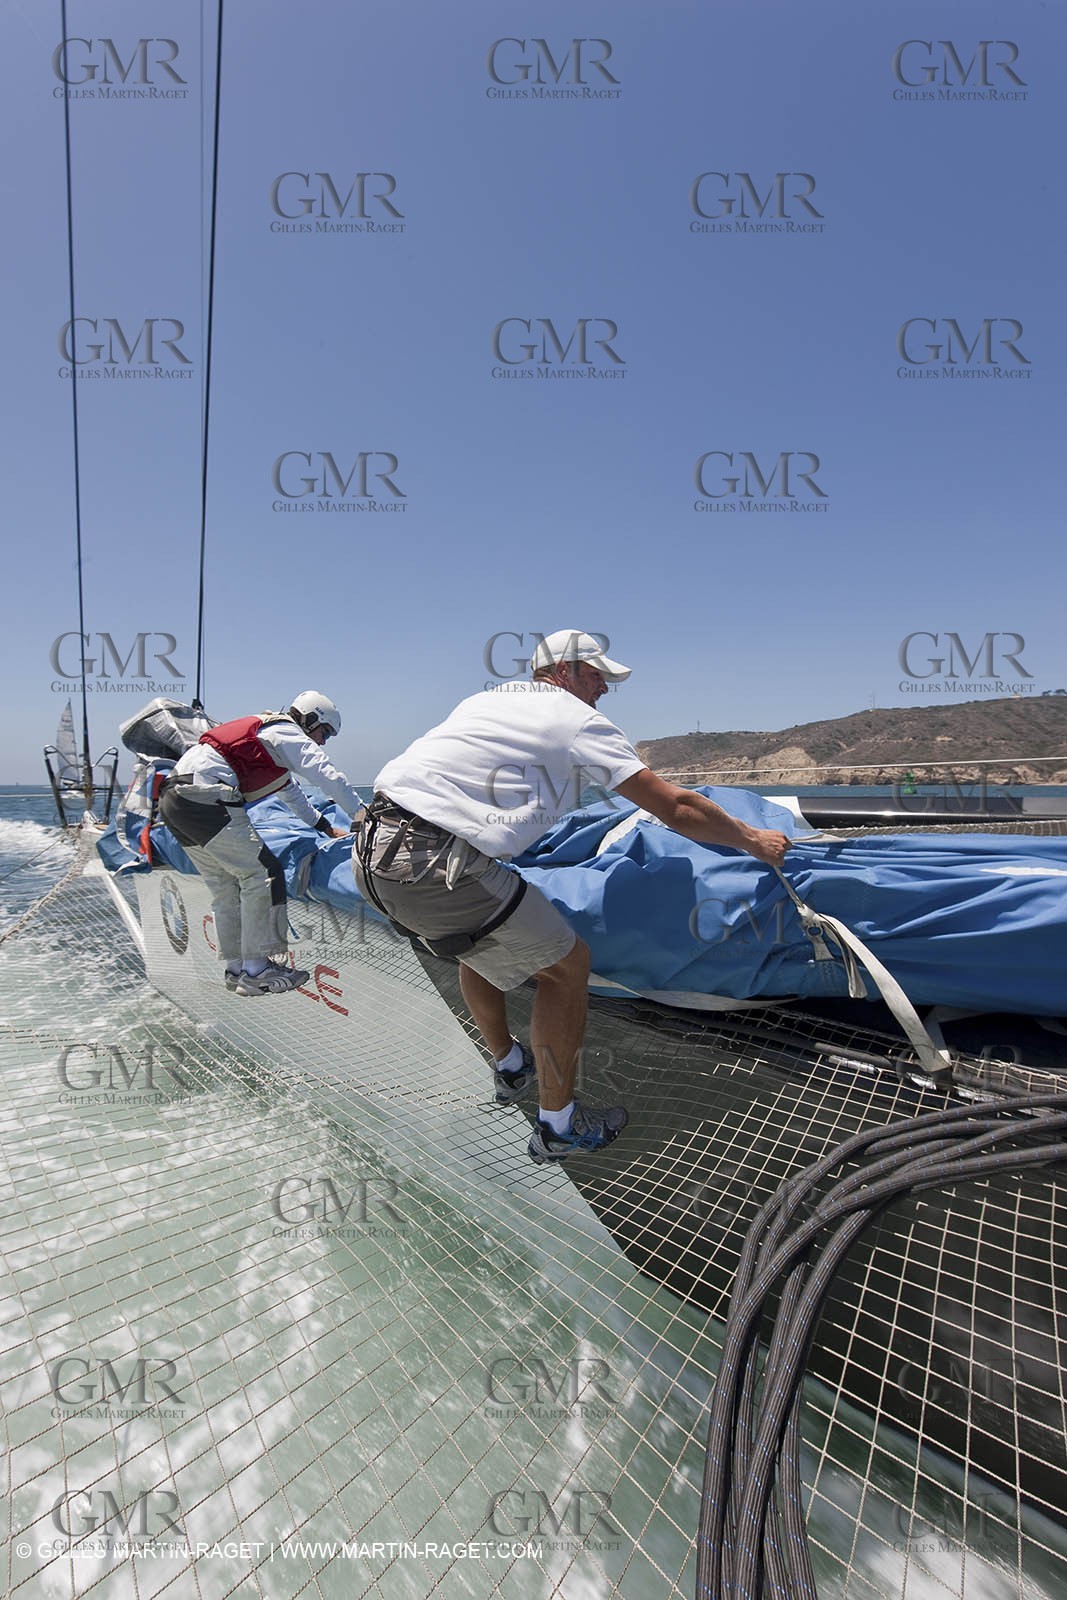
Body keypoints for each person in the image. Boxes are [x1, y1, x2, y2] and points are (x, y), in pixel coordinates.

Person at [353, 632, 791, 1163]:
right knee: (567, 965)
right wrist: (751, 839)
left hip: (371, 850)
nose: (605, 686)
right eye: (595, 673)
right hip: (434, 866)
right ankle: (558, 1126)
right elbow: (676, 808)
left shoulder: (487, 700)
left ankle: (511, 1066)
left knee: (478, 945)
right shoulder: (575, 718)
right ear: (561, 670)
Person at [159, 691, 364, 996]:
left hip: (173, 802)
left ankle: (236, 969)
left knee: (225, 887)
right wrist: (363, 816)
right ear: (309, 720)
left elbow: (294, 798)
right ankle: (259, 970)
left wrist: (326, 828)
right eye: (324, 732)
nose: (323, 741)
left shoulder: (270, 747)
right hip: (206, 798)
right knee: (264, 873)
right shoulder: (285, 731)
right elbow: (326, 773)